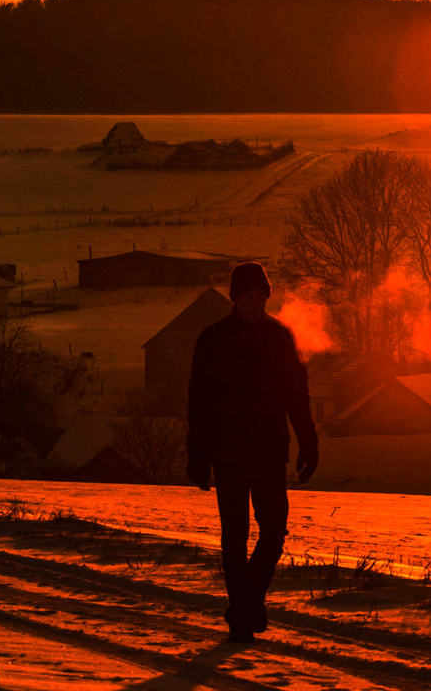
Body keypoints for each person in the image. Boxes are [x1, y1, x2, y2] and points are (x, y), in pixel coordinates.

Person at [187, 262, 318, 641]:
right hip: (228, 452)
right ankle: (244, 614)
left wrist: (309, 441)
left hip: (269, 450)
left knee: (274, 530)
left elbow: (298, 396)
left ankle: (245, 604)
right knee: (235, 536)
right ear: (236, 298)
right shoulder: (213, 340)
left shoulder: (280, 337)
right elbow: (199, 402)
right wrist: (197, 454)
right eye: (249, 296)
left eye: (261, 296)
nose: (256, 302)